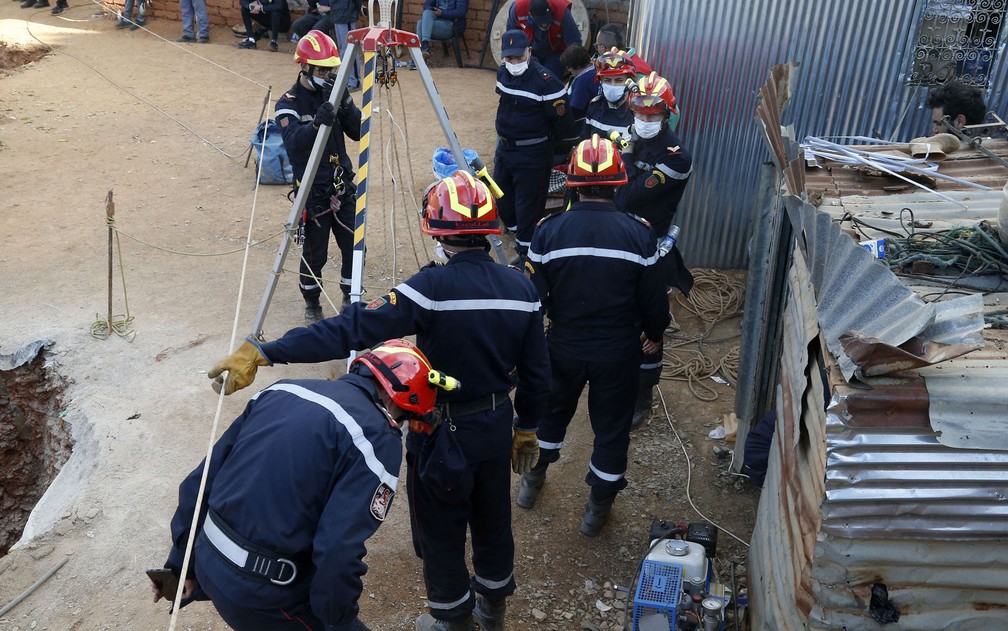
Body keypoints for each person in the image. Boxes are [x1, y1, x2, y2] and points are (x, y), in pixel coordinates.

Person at [206, 171, 552, 631]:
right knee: (493, 517)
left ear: (437, 233)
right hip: (493, 427)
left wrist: (270, 351)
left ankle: (454, 620)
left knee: (441, 526)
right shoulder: (522, 291)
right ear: (489, 230)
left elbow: (351, 328)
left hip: (439, 432)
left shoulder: (431, 289)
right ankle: (494, 611)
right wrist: (526, 426)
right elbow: (537, 373)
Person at [151, 339, 443, 630]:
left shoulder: (283, 389)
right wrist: (339, 622)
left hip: (206, 562)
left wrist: (180, 564)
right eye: (407, 420)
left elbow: (200, 481)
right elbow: (337, 550)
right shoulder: (375, 437)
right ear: (395, 402)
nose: (402, 426)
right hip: (264, 595)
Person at [521, 134, 671, 536]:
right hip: (618, 351)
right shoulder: (639, 234)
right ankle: (596, 511)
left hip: (563, 345)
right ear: (619, 182)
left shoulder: (547, 232)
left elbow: (534, 300)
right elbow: (654, 301)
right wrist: (654, 333)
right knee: (611, 429)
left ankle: (531, 483)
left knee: (550, 416)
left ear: (571, 181)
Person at [613, 72, 693, 428]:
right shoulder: (635, 140)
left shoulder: (676, 157)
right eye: (639, 113)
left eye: (653, 114)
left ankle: (643, 397)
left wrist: (626, 156)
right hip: (620, 240)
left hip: (651, 248)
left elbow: (625, 195)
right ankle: (616, 378)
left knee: (650, 327)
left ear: (667, 113)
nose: (644, 120)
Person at [275, 30, 362, 325]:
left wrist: (344, 104)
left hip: (342, 186)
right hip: (313, 194)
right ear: (305, 67)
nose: (327, 74)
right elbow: (294, 144)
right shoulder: (289, 103)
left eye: (331, 69)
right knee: (315, 255)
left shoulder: (336, 93)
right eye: (322, 69)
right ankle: (312, 303)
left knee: (353, 247)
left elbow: (359, 132)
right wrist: (316, 126)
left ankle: (351, 297)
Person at [493, 28, 570, 260]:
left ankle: (527, 257)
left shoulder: (548, 83)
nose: (514, 62)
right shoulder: (503, 73)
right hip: (505, 150)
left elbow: (563, 125)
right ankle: (520, 237)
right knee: (502, 198)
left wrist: (552, 155)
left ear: (529, 51)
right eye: (510, 58)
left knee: (528, 208)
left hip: (532, 154)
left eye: (519, 57)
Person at [506, 0, 581, 77]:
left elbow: (574, 41)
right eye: (541, 22)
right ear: (530, 15)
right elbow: (511, 37)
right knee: (527, 78)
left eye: (546, 21)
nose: (544, 25)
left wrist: (576, 66)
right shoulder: (518, 8)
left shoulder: (561, 11)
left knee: (550, 78)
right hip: (530, 50)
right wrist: (516, 59)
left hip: (555, 52)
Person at [580, 48, 637, 142]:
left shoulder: (636, 112)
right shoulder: (594, 106)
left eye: (619, 80)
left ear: (629, 82)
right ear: (600, 81)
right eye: (607, 80)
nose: (612, 85)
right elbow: (584, 143)